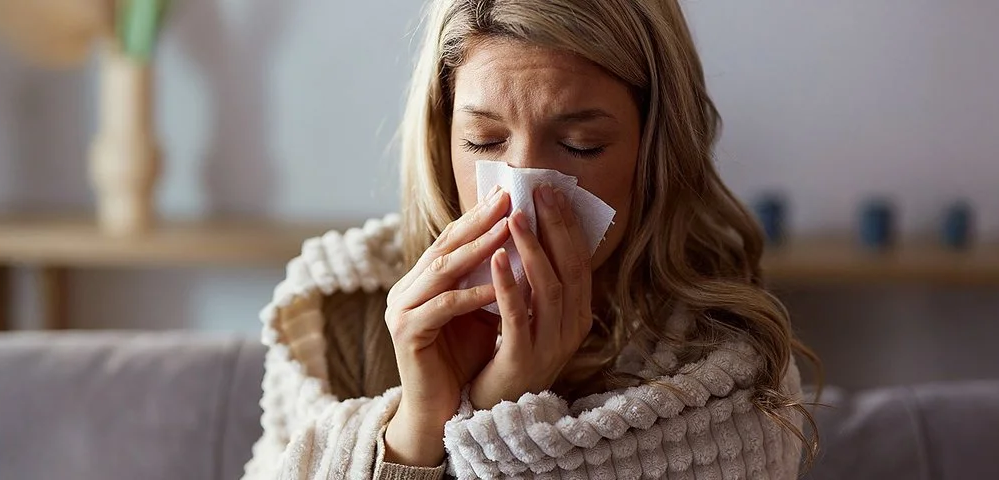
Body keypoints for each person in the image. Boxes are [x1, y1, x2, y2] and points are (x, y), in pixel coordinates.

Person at [243, 0, 819, 478]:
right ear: (442, 138)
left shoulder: (727, 370)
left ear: (654, 150)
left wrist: (502, 413)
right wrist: (417, 426)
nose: (521, 194)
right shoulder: (337, 309)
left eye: (581, 145)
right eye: (484, 142)